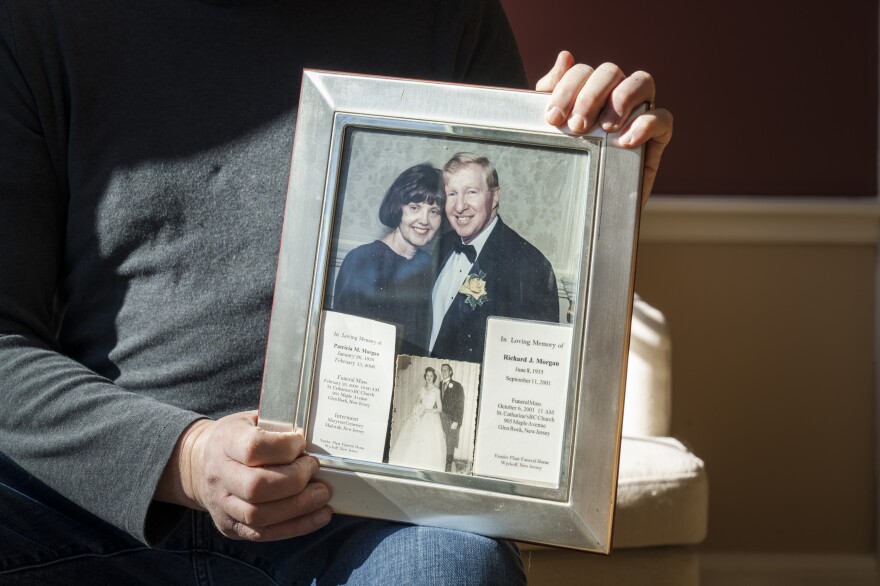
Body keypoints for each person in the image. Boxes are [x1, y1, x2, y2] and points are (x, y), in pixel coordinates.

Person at [0, 0, 672, 582]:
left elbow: (502, 331)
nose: (432, 214)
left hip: (369, 512)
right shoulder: (36, 23)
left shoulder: (448, 16)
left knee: (451, 568)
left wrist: (599, 209)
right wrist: (189, 456)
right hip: (97, 506)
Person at [430, 153, 559, 363]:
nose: (460, 206)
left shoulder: (530, 265)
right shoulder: (443, 244)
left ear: (495, 196)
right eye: (452, 194)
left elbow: (529, 363)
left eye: (471, 192)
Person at [333, 164, 444, 356]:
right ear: (398, 208)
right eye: (415, 207)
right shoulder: (360, 260)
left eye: (434, 211)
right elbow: (345, 342)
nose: (424, 220)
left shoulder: (432, 265)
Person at [387, 367, 447, 472]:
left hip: (430, 418)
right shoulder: (422, 389)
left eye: (431, 376)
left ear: (434, 377)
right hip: (419, 417)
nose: (429, 378)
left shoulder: (436, 391)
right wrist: (417, 410)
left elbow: (440, 408)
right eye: (427, 375)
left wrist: (427, 410)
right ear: (425, 377)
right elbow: (417, 403)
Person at [439, 363, 466, 472]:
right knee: (441, 441)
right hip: (440, 418)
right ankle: (441, 463)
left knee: (450, 443)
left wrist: (456, 421)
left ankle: (448, 466)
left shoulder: (457, 385)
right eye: (442, 370)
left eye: (446, 370)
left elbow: (460, 404)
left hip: (451, 419)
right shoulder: (439, 384)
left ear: (450, 371)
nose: (444, 372)